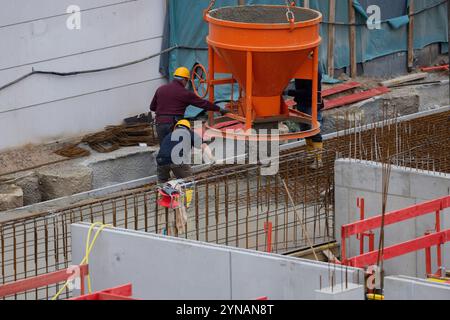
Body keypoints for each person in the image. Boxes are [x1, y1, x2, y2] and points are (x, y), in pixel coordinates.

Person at [150, 66, 226, 143]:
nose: (186, 83)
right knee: (178, 150)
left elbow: (152, 107)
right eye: (187, 81)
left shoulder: (160, 89)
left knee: (165, 148)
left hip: (159, 123)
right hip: (174, 124)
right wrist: (220, 109)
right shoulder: (185, 93)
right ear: (183, 80)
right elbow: (203, 104)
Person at [287, 65, 324, 168]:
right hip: (303, 102)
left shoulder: (313, 68)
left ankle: (318, 160)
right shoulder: (301, 66)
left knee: (314, 130)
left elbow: (308, 92)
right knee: (305, 129)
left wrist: (289, 92)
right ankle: (310, 154)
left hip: (311, 104)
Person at [156, 119, 214, 183]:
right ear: (188, 128)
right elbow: (203, 145)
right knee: (188, 182)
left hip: (161, 160)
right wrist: (212, 158)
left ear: (176, 127)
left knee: (162, 184)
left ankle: (161, 191)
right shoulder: (189, 132)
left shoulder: (168, 135)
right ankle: (188, 192)